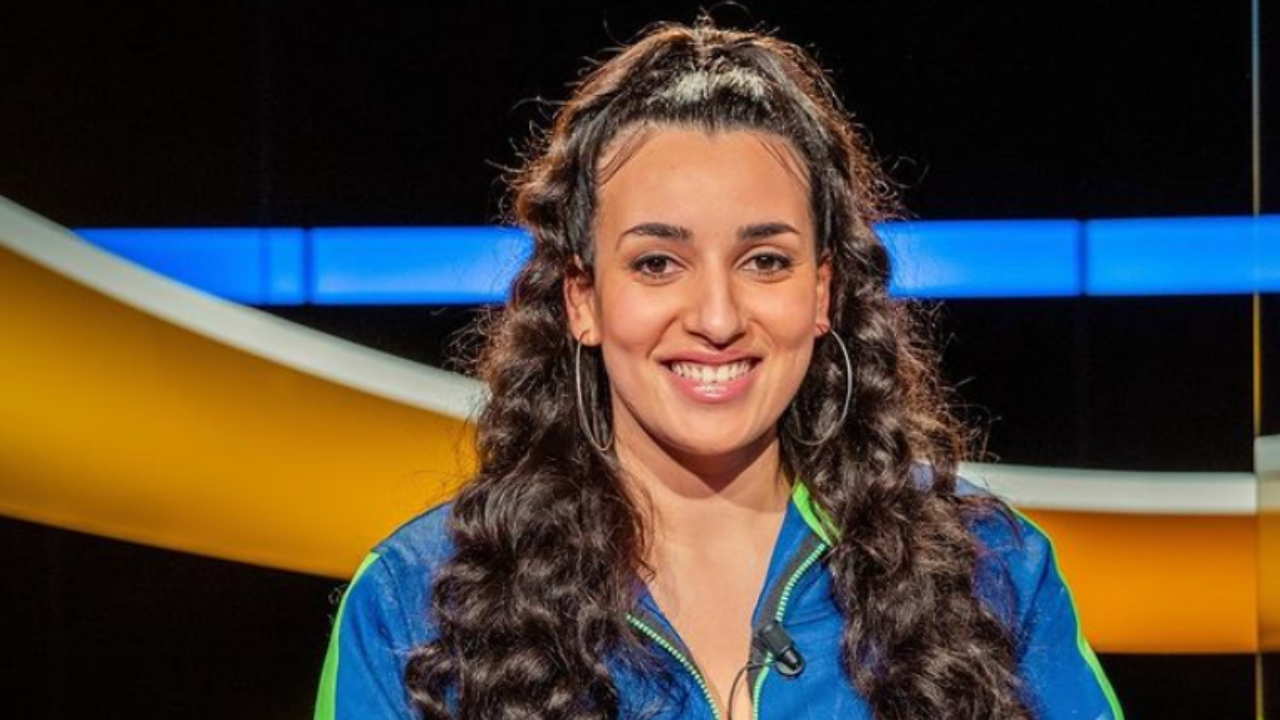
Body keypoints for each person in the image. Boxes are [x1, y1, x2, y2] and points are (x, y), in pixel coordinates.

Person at [314, 19, 1124, 720]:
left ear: (822, 292)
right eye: (657, 263)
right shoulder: (413, 606)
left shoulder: (990, 573)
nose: (717, 317)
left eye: (765, 260)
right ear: (582, 299)